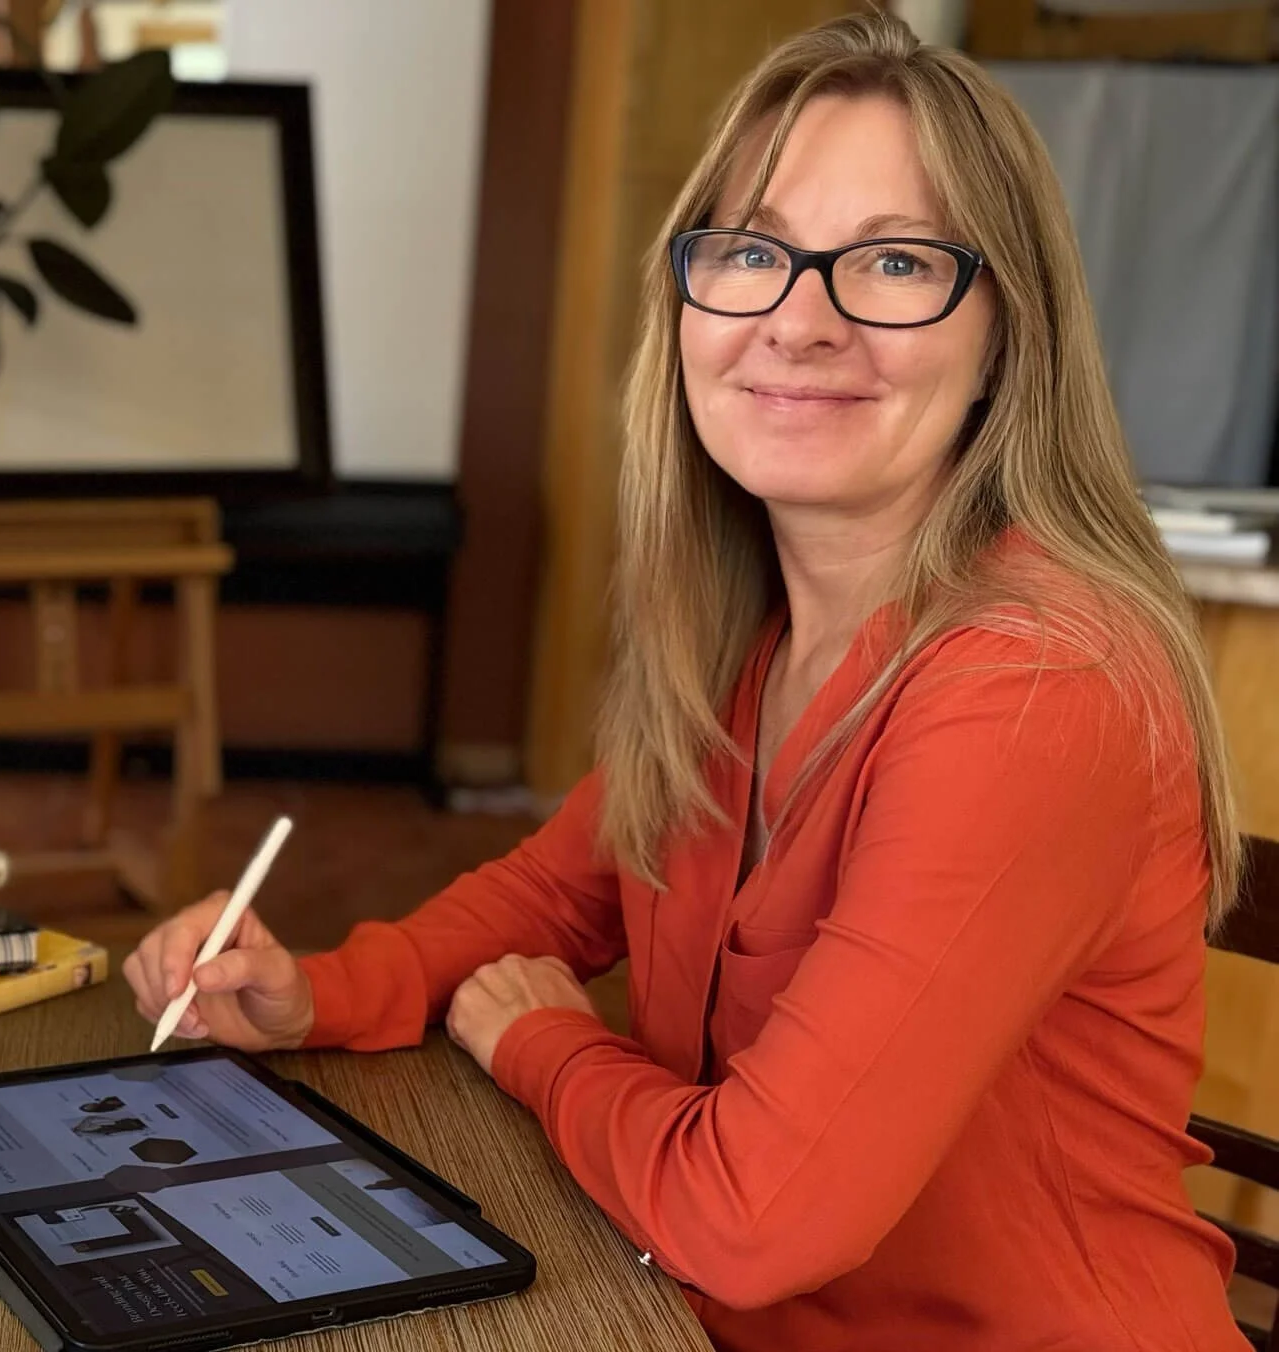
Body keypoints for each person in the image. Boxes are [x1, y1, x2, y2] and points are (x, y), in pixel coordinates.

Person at [124, 13, 1248, 1350]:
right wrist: (317, 990)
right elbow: (556, 891)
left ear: (1007, 331)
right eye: (754, 252)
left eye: (893, 261)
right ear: (690, 297)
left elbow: (751, 1215)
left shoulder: (1033, 686)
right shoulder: (757, 633)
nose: (800, 320)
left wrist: (547, 1044)